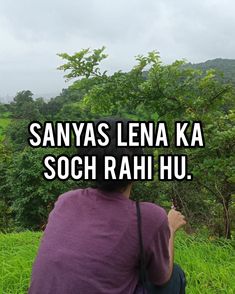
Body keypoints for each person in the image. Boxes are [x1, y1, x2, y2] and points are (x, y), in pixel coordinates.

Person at [29, 118, 187, 294]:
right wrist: (170, 228)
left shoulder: (65, 200)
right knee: (175, 275)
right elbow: (162, 278)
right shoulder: (150, 216)